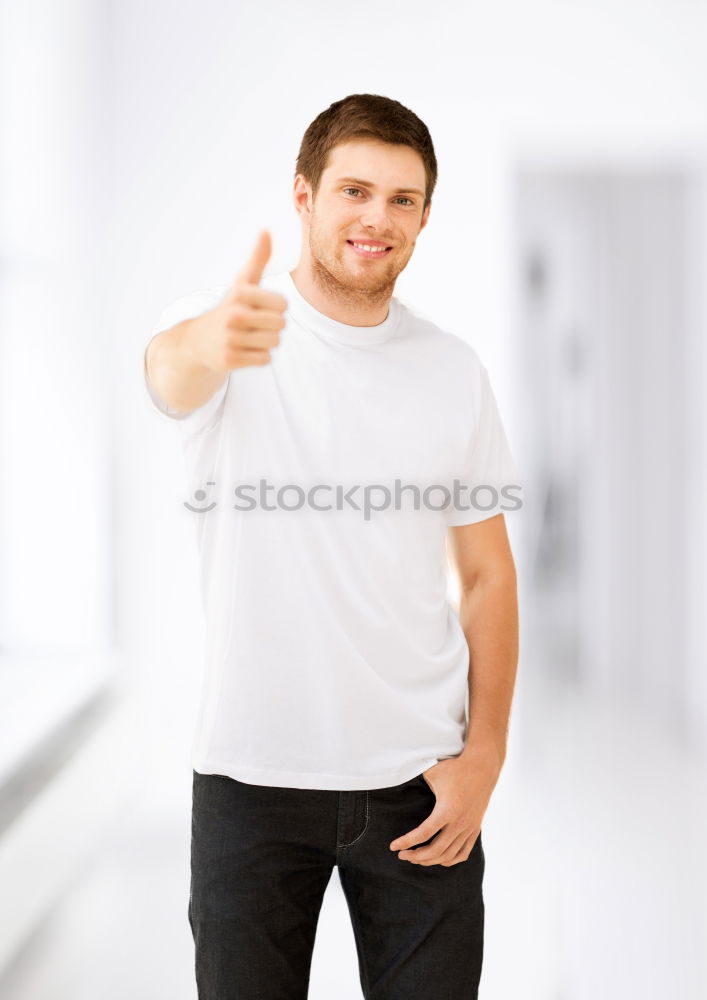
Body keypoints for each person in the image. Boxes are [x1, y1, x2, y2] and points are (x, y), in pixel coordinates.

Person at [143, 93, 521, 1000]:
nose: (375, 218)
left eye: (401, 199)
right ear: (304, 197)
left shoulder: (451, 368)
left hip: (418, 785)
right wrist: (207, 339)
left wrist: (487, 755)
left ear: (424, 217)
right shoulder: (233, 332)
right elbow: (169, 369)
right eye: (355, 189)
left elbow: (485, 574)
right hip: (250, 783)